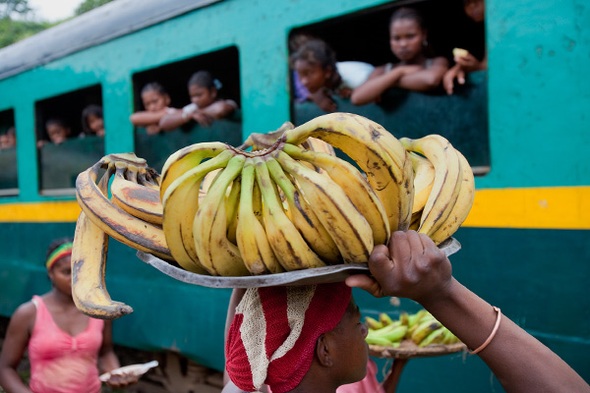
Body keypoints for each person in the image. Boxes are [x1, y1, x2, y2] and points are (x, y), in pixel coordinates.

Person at [223, 231, 590, 393]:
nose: (364, 329)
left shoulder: (245, 384)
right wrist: (441, 293)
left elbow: (239, 352)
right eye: (355, 317)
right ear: (324, 351)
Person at [0, 238, 139, 392]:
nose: (75, 279)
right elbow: (5, 369)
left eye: (81, 271)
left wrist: (115, 373)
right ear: (51, 273)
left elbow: (105, 352)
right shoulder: (28, 314)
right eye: (67, 272)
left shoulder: (99, 311)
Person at [350, 7, 449, 106]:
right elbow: (357, 98)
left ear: (423, 35)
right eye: (396, 38)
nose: (403, 44)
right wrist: (399, 72)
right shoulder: (383, 70)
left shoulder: (437, 62)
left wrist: (384, 83)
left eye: (410, 36)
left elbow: (430, 80)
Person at [290, 38, 374, 112]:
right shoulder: (324, 82)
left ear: (327, 72)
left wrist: (355, 92)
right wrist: (318, 96)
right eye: (300, 75)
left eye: (309, 73)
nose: (303, 81)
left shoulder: (357, 79)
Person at [159, 71, 238, 130]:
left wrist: (198, 112)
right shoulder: (193, 108)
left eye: (199, 95)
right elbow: (163, 122)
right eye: (192, 96)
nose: (195, 100)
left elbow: (220, 110)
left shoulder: (226, 102)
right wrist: (190, 115)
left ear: (213, 92)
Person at [443, 0, 487, 95]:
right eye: (466, 3)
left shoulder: (499, 26)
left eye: (477, 0)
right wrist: (460, 67)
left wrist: (477, 67)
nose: (471, 6)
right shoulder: (471, 30)